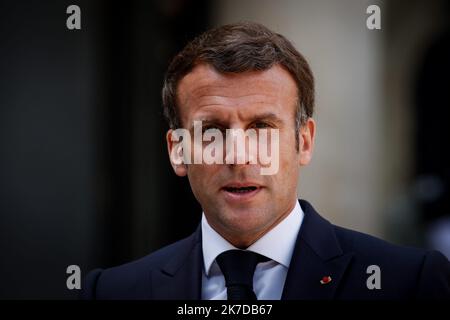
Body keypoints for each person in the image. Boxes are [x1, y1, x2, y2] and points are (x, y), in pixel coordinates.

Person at [81, 22, 450, 300]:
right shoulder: (113, 291)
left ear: (303, 142)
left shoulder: (408, 282)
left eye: (261, 127)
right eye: (212, 130)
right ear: (178, 150)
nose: (239, 155)